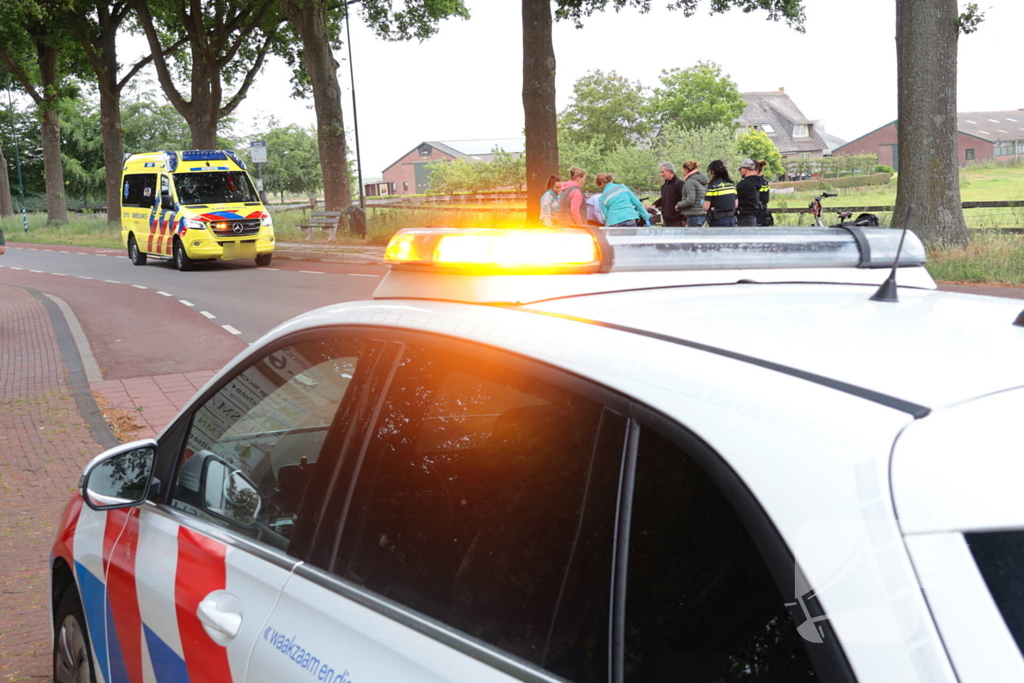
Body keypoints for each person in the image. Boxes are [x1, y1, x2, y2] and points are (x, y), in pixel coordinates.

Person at [702, 160, 738, 227]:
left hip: (718, 221)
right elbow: (735, 205)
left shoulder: (712, 187)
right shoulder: (731, 185)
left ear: (712, 172)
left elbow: (706, 207)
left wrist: (702, 203)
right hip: (731, 219)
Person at [650, 162, 685, 227]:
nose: (661, 174)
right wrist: (654, 205)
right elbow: (664, 198)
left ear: (670, 171)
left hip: (677, 220)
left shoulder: (679, 183)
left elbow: (685, 200)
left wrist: (684, 218)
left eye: (663, 172)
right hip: (666, 220)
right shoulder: (665, 185)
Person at [675, 160, 708, 227]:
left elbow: (690, 200)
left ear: (686, 170)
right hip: (701, 214)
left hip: (694, 216)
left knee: (693, 237)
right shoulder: (701, 180)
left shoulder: (690, 182)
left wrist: (678, 205)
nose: (683, 172)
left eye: (683, 170)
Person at [736, 159, 761, 227]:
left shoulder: (744, 184)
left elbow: (734, 198)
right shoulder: (756, 182)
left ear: (745, 169)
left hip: (744, 218)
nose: (740, 171)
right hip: (752, 217)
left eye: (740, 169)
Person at [754, 160, 773, 226]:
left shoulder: (756, 182)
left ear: (755, 170)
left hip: (758, 214)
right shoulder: (765, 182)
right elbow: (766, 199)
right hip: (764, 212)